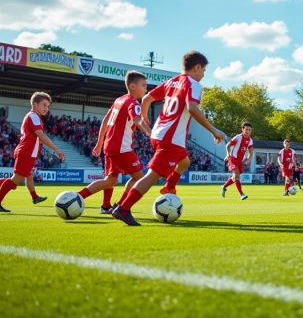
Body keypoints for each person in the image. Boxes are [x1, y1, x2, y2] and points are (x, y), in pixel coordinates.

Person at [112, 51, 224, 226]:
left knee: (184, 161)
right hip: (170, 139)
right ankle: (123, 209)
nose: (203, 74)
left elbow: (147, 98)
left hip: (159, 134)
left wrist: (144, 116)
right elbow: (192, 108)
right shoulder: (193, 84)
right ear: (197, 67)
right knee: (151, 176)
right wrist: (214, 130)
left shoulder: (172, 81)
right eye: (203, 70)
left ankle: (170, 185)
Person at [0, 92, 65, 212]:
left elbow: (36, 138)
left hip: (27, 153)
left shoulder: (34, 117)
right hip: (26, 153)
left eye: (48, 106)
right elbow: (41, 136)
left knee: (27, 176)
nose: (46, 108)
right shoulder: (34, 116)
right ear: (35, 104)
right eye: (44, 105)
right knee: (14, 181)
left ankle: (34, 197)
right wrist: (57, 150)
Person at [77, 71, 151, 214]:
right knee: (140, 178)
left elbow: (105, 120)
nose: (146, 89)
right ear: (132, 86)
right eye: (143, 85)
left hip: (110, 146)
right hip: (122, 148)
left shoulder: (119, 100)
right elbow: (137, 120)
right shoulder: (132, 103)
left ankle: (96, 203)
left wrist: (100, 143)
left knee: (110, 180)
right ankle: (121, 206)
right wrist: (150, 133)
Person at [222, 122, 254, 200]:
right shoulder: (238, 137)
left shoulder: (250, 140)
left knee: (235, 177)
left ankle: (224, 186)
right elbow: (227, 145)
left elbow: (251, 152)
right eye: (246, 129)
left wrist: (249, 159)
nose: (248, 131)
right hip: (232, 158)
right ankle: (241, 194)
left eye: (249, 130)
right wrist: (227, 154)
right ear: (242, 129)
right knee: (237, 175)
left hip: (240, 161)